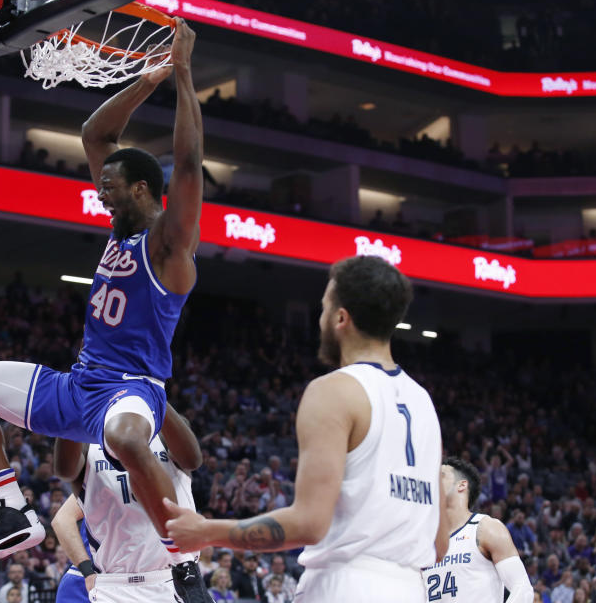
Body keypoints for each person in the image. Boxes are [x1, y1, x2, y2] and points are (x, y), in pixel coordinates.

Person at [0, 18, 207, 598]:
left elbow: (186, 167)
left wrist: (184, 75)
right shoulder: (118, 227)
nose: (99, 190)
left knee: (133, 443)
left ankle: (183, 565)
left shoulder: (167, 246)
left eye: (109, 185)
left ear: (141, 188)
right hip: (78, 385)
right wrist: (148, 79)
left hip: (131, 389)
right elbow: (94, 133)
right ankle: (13, 511)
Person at [165, 255, 450, 601]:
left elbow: (309, 524)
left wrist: (205, 531)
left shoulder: (334, 390)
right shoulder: (424, 404)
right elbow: (439, 544)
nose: (321, 320)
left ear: (341, 318)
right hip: (411, 589)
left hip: (346, 587)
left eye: (324, 309)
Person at [51, 404, 208, 602]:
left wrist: (153, 390)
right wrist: (71, 402)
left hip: (172, 578)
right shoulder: (89, 446)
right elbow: (64, 474)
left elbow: (193, 460)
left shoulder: (164, 436)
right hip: (113, 583)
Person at [422, 457, 533, 602]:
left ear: (461, 485)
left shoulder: (485, 528)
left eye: (441, 475)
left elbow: (522, 587)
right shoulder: (424, 542)